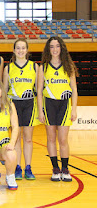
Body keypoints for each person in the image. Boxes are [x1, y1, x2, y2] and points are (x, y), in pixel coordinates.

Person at [37, 36, 78, 182]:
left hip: (64, 105)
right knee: (51, 138)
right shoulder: (44, 67)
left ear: (62, 48)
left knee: (62, 139)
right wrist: (40, 110)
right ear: (48, 49)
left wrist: (74, 109)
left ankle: (65, 168)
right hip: (49, 105)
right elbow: (40, 90)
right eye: (52, 46)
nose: (55, 49)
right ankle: (55, 168)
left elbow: (74, 89)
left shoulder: (69, 66)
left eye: (57, 46)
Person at [3, 39, 39, 180]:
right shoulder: (8, 68)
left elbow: (38, 89)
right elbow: (4, 91)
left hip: (29, 104)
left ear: (27, 50)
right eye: (18, 48)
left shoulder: (35, 67)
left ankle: (28, 167)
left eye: (23, 48)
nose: (20, 50)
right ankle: (17, 167)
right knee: (16, 138)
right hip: (14, 105)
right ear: (14, 50)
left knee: (28, 139)